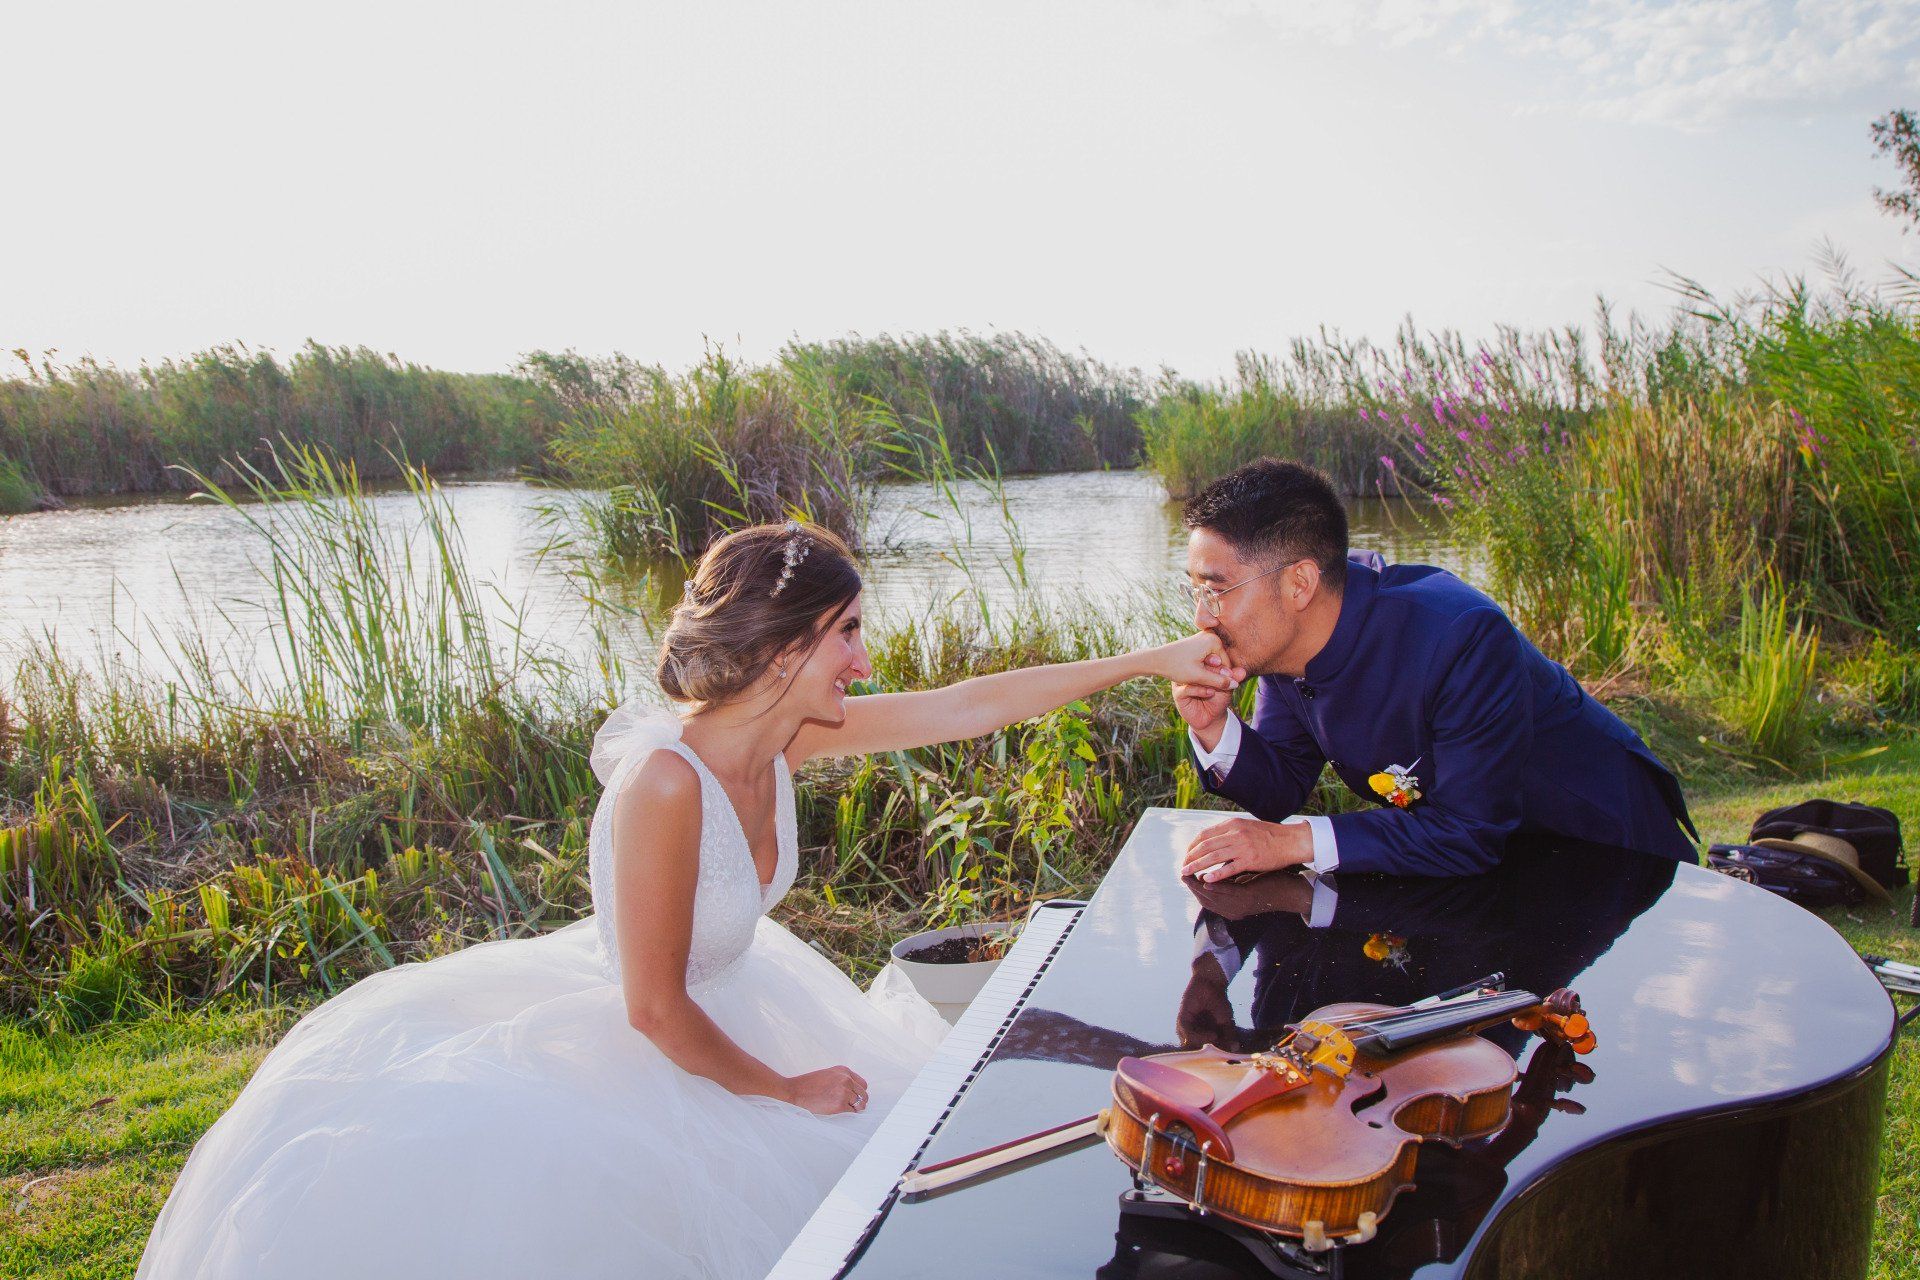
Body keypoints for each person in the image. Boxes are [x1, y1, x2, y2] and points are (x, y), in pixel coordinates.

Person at [135, 520, 1231, 1280]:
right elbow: (654, 1008)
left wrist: (1145, 660)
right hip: (665, 1036)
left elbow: (970, 705)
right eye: (846, 631)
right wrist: (785, 1086)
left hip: (745, 996)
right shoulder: (665, 780)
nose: (862, 656)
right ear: (786, 644)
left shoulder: (799, 727)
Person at [1173, 459, 1698, 885]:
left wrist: (1293, 841)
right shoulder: (1286, 643)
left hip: (1603, 845)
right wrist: (1213, 727)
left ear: (1299, 584)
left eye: (1215, 591)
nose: (1202, 618)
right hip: (1488, 863)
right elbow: (1284, 784)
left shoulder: (1461, 637)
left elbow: (1469, 831)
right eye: (1196, 591)